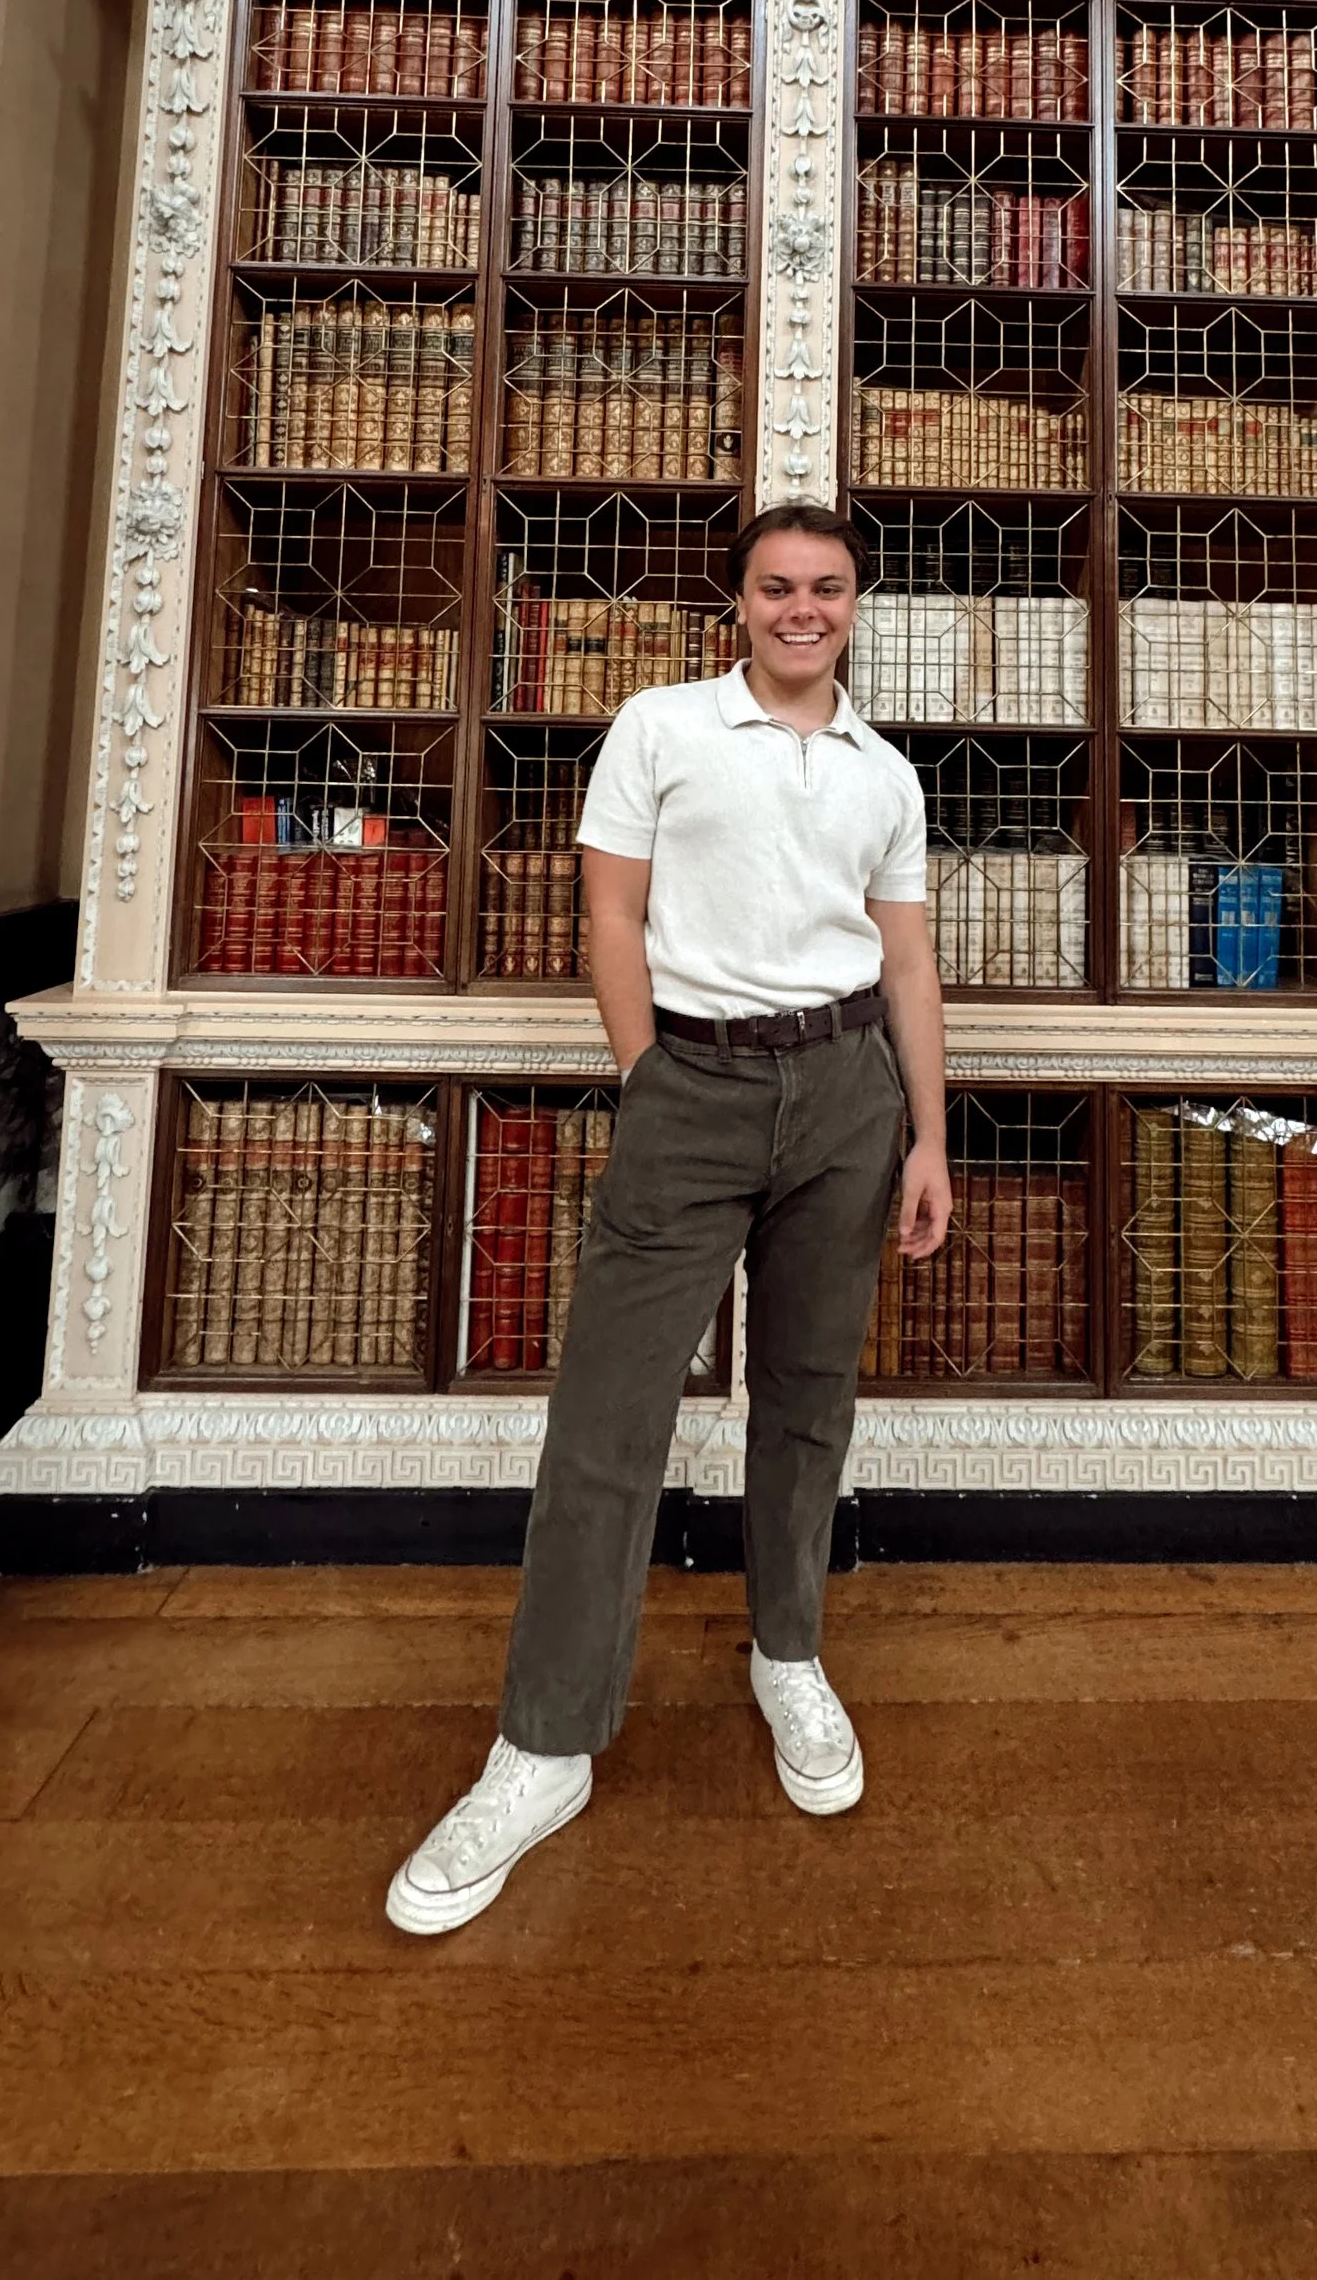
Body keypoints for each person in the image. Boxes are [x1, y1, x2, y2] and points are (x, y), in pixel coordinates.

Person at [387, 503, 951, 1935]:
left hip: (845, 1096)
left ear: (856, 604)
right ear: (741, 603)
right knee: (607, 1418)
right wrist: (649, 1079)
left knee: (811, 1400)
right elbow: (612, 918)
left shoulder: (887, 774)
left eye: (827, 588)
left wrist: (928, 1132)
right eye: (777, 587)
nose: (802, 609)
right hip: (689, 1084)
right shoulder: (660, 728)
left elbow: (907, 964)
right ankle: (546, 1742)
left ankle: (788, 1655)